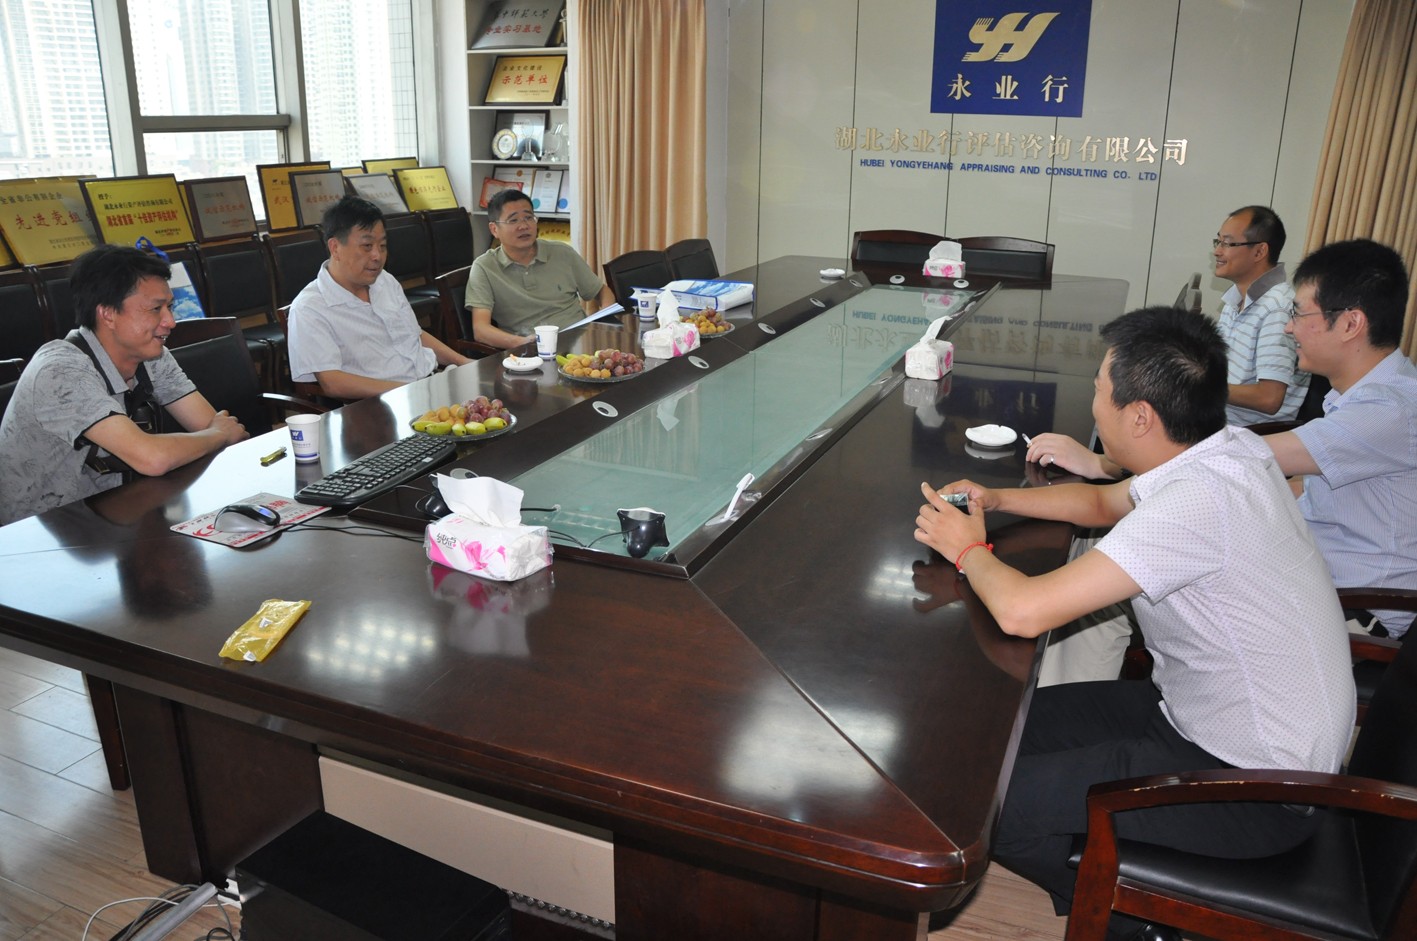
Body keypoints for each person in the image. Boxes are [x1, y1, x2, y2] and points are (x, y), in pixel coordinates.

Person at [914, 305, 1354, 941]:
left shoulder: (1194, 504)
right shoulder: (1226, 451)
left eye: (1099, 390)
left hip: (1251, 786)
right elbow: (1100, 502)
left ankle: (1138, 921)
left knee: (979, 805)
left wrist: (967, 549)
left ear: (1141, 416)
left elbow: (1021, 611)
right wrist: (997, 498)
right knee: (990, 738)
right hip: (1209, 719)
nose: (1094, 404)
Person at [1032, 237, 1416, 647]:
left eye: (1299, 313)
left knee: (1119, 583)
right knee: (1121, 563)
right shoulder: (1365, 394)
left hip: (1353, 609)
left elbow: (1230, 458)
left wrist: (1102, 464)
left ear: (1351, 324)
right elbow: (1296, 484)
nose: (1289, 327)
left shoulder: (1389, 410)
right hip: (1311, 571)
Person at [0, 245, 249, 526]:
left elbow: (213, 427)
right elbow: (155, 458)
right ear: (108, 314)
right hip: (37, 532)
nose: (170, 321)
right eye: (155, 309)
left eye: (169, 307)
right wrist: (217, 434)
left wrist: (217, 433)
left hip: (116, 509)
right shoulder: (60, 371)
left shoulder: (152, 354)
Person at [288, 196, 471, 399]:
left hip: (428, 385)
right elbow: (333, 383)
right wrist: (411, 391)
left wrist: (464, 363)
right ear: (335, 248)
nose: (377, 256)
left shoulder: (385, 281)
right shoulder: (309, 308)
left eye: (382, 246)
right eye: (367, 246)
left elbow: (415, 335)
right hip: (380, 404)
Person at [464, 189, 614, 350]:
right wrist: (522, 343)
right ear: (494, 229)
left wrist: (604, 322)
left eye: (529, 217)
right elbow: (481, 330)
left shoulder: (562, 253)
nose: (524, 226)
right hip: (531, 350)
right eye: (513, 220)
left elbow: (602, 292)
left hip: (582, 341)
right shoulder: (485, 267)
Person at [1212, 205, 1308, 424]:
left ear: (1259, 252)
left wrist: (1203, 387)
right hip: (1215, 418)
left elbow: (1269, 398)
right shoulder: (1235, 298)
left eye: (1227, 243)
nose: (1217, 251)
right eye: (1218, 241)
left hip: (1243, 432)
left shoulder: (1277, 309)